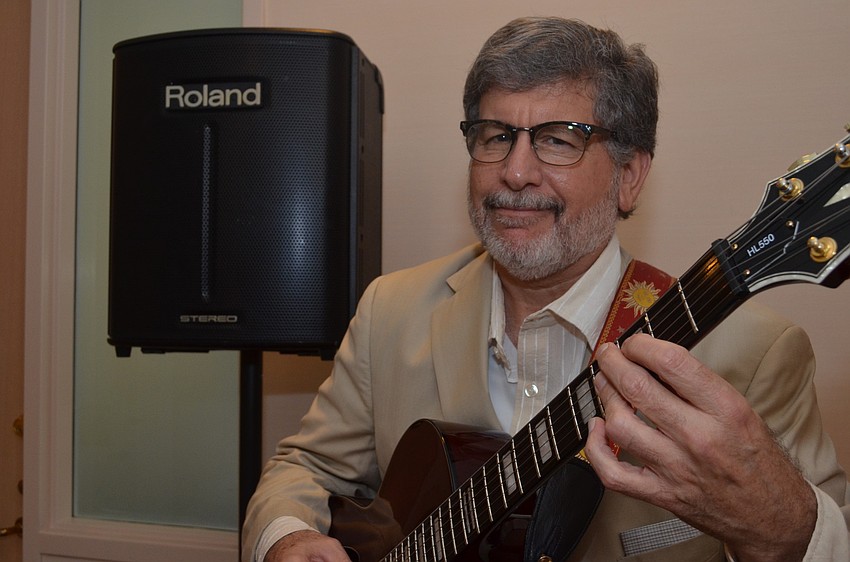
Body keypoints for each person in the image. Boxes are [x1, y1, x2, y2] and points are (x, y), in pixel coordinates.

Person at [243, 16, 850, 562]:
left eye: (559, 139)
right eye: (494, 135)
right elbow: (305, 467)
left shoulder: (753, 354)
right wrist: (288, 537)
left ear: (629, 176)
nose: (515, 170)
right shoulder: (390, 310)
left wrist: (782, 527)